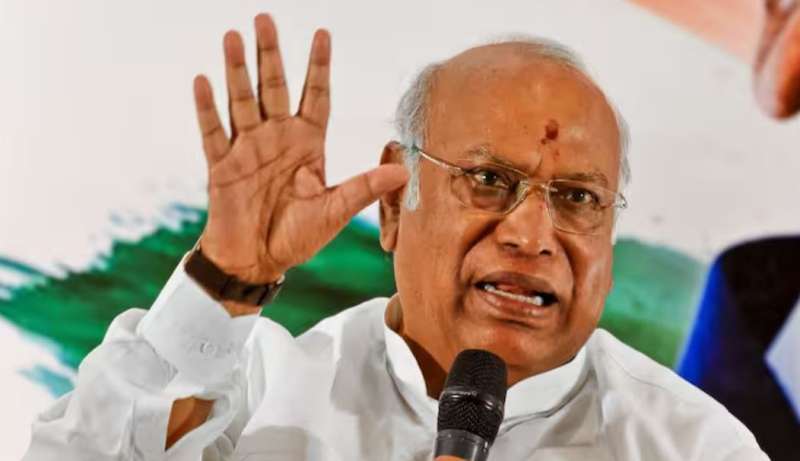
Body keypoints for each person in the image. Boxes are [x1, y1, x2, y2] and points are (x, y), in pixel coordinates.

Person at [24, 13, 769, 461]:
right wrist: (227, 274)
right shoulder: (254, 392)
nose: (531, 234)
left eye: (578, 198)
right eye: (488, 180)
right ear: (393, 202)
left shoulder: (694, 446)